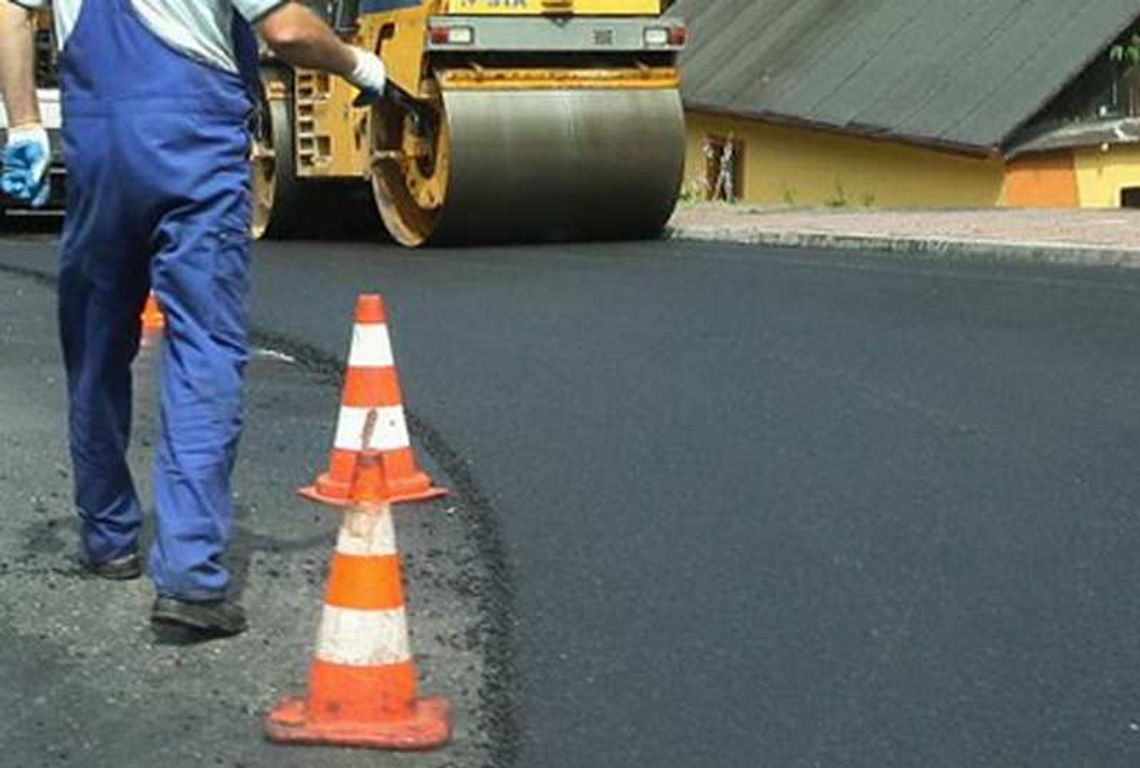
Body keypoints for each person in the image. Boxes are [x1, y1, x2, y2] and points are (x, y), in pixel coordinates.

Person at [0, 0, 386, 637]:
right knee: (202, 349)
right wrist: (360, 65)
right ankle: (189, 578)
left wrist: (22, 128)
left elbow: (11, 13)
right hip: (193, 154)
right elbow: (288, 30)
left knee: (96, 346)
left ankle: (107, 536)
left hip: (99, 153)